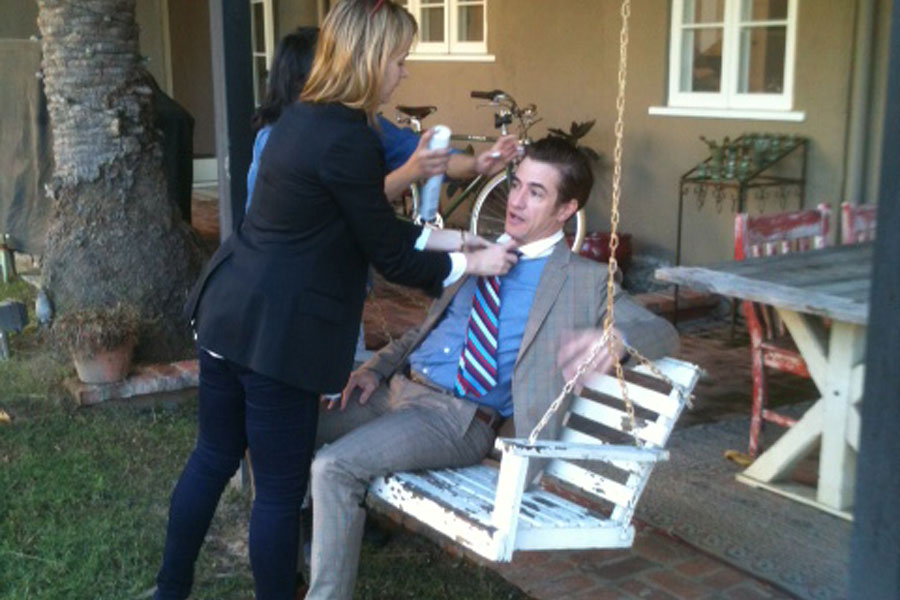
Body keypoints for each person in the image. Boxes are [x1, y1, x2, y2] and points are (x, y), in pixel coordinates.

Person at [153, 2, 516, 599]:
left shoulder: (300, 118)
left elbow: (362, 225)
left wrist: (456, 240)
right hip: (278, 336)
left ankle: (170, 589)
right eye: (399, 59)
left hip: (226, 313)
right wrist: (469, 264)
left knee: (212, 457)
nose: (404, 72)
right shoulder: (349, 138)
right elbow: (389, 255)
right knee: (277, 492)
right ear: (370, 59)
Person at [304, 136, 680, 600]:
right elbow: (424, 331)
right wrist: (375, 369)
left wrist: (617, 338)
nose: (515, 201)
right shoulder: (477, 252)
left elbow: (661, 330)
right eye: (516, 184)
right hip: (395, 390)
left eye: (536, 193)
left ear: (566, 210)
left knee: (334, 467)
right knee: (281, 431)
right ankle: (302, 553)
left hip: (455, 418)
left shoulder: (582, 281)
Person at [245, 29, 517, 209]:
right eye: (398, 63)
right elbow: (344, 207)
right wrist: (410, 171)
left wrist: (477, 164)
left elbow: (416, 151)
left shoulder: (361, 124)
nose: (355, 74)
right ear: (312, 79)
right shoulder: (275, 142)